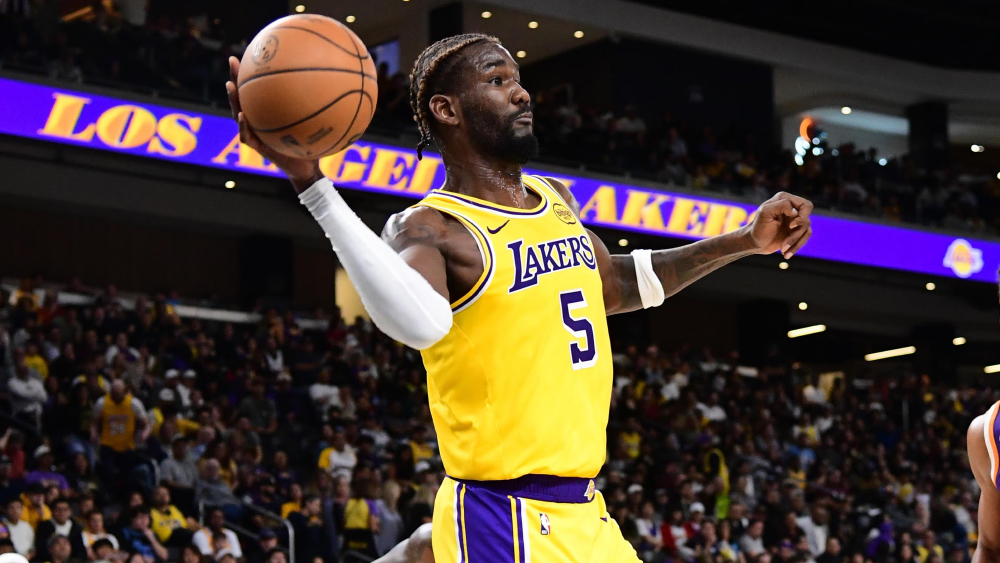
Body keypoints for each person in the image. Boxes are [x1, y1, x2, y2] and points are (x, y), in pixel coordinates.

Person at [225, 30, 813, 562]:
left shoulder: (555, 198)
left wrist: (743, 240)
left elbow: (618, 284)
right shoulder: (431, 226)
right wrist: (314, 186)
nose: (521, 92)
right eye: (497, 79)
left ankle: (422, 550)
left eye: (518, 78)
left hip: (585, 513)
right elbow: (420, 323)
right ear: (447, 109)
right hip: (503, 515)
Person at [90, 380, 149, 491]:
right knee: (107, 474)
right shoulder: (102, 403)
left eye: (118, 394)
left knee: (127, 477)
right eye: (113, 394)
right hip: (107, 444)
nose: (115, 397)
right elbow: (94, 423)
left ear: (125, 391)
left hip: (126, 445)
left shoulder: (133, 403)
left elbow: (146, 424)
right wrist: (94, 434)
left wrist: (144, 434)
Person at [287, 494, 326, 563]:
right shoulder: (294, 516)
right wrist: (309, 525)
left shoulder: (314, 523)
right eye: (317, 505)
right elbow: (296, 534)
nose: (319, 509)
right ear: (308, 503)